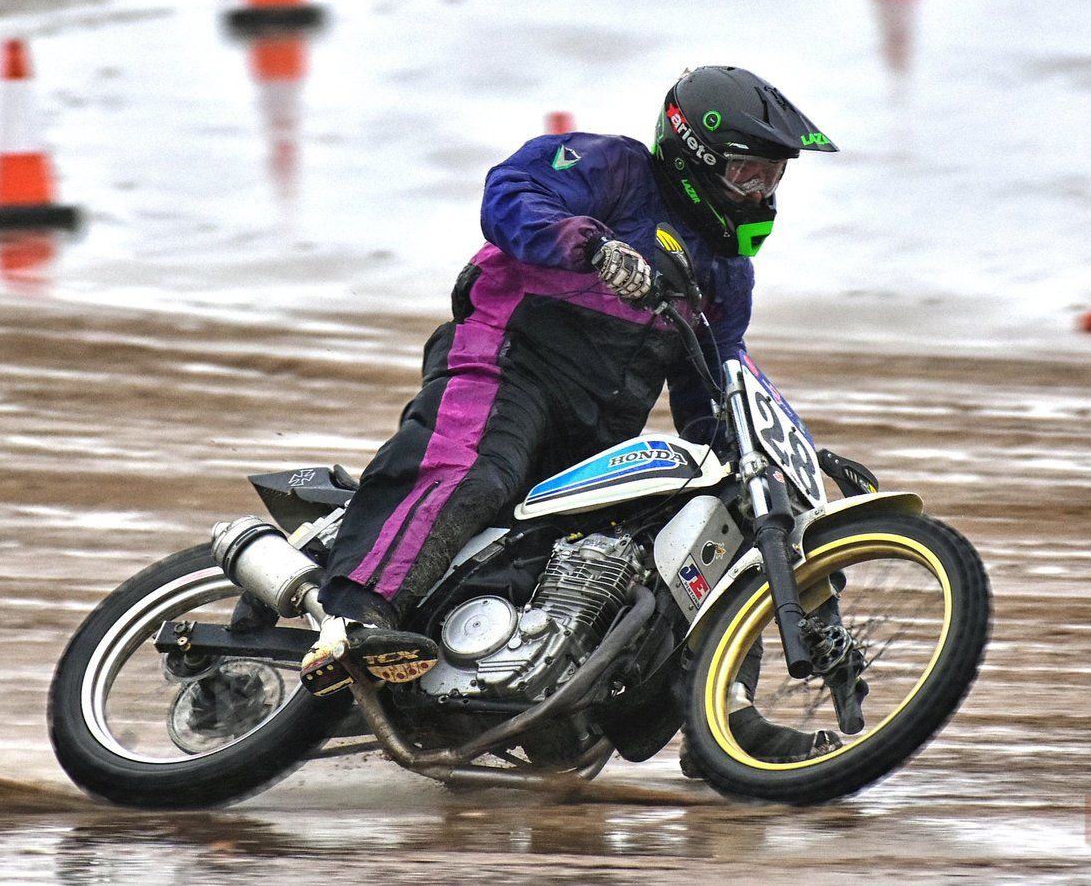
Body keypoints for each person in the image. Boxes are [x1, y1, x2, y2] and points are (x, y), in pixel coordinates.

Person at [298, 65, 839, 701]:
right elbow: (510, 193)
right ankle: (355, 617)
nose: (759, 193)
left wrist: (772, 458)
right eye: (747, 174)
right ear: (694, 153)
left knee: (663, 546)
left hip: (599, 429)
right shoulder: (616, 168)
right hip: (507, 361)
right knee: (476, 468)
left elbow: (711, 386)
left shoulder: (727, 275)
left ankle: (726, 716)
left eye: (772, 177)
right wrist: (593, 247)